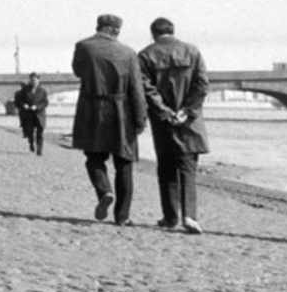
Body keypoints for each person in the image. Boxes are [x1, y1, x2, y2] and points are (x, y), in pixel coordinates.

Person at [71, 13, 147, 225]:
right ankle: (122, 216)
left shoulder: (83, 46)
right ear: (116, 31)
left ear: (98, 26)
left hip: (91, 109)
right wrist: (140, 118)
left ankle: (104, 190)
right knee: (124, 163)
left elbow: (78, 71)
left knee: (94, 157)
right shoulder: (129, 53)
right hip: (122, 110)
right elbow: (136, 89)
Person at [138, 17, 209, 234]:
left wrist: (165, 111)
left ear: (153, 33)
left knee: (166, 168)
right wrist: (187, 110)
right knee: (188, 168)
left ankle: (170, 217)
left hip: (163, 122)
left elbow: (146, 88)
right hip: (190, 121)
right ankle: (190, 215)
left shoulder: (145, 55)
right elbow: (202, 84)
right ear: (173, 31)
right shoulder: (193, 51)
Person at [12, 72, 49, 155]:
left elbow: (45, 102)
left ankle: (39, 150)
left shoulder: (43, 91)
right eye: (32, 80)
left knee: (40, 132)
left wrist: (37, 107)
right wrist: (23, 105)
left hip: (39, 115)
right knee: (30, 132)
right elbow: (19, 101)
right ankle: (31, 143)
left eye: (35, 80)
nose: (33, 82)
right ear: (30, 80)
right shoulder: (25, 90)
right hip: (28, 114)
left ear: (38, 80)